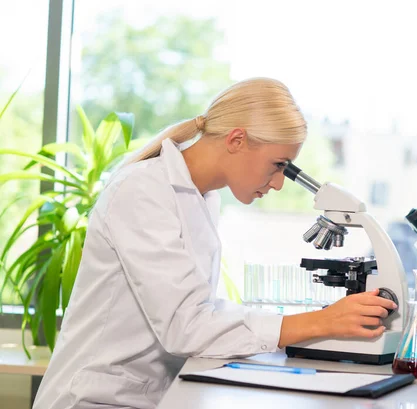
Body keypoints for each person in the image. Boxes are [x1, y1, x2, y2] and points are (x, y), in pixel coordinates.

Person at [33, 78, 397, 409]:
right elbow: (185, 327)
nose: (278, 183)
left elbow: (198, 307)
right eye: (278, 165)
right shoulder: (143, 190)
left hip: (152, 394)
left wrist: (309, 325)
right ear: (236, 140)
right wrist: (319, 323)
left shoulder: (203, 197)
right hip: (95, 398)